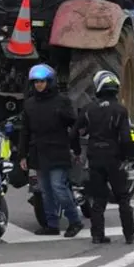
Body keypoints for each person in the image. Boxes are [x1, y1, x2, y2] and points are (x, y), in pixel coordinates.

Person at [71, 71, 134, 245]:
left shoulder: (88, 109)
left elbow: (73, 134)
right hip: (115, 158)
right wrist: (127, 158)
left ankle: (97, 235)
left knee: (98, 198)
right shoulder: (121, 110)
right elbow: (126, 138)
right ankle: (129, 234)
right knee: (123, 197)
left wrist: (77, 151)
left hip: (95, 158)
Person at [18, 64, 83, 237]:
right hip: (39, 153)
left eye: (42, 81)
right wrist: (22, 155)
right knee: (45, 191)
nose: (39, 85)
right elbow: (25, 131)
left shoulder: (62, 101)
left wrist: (76, 150)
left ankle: (74, 221)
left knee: (58, 187)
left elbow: (73, 127)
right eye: (36, 82)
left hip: (57, 151)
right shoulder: (30, 104)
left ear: (50, 82)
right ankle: (51, 224)